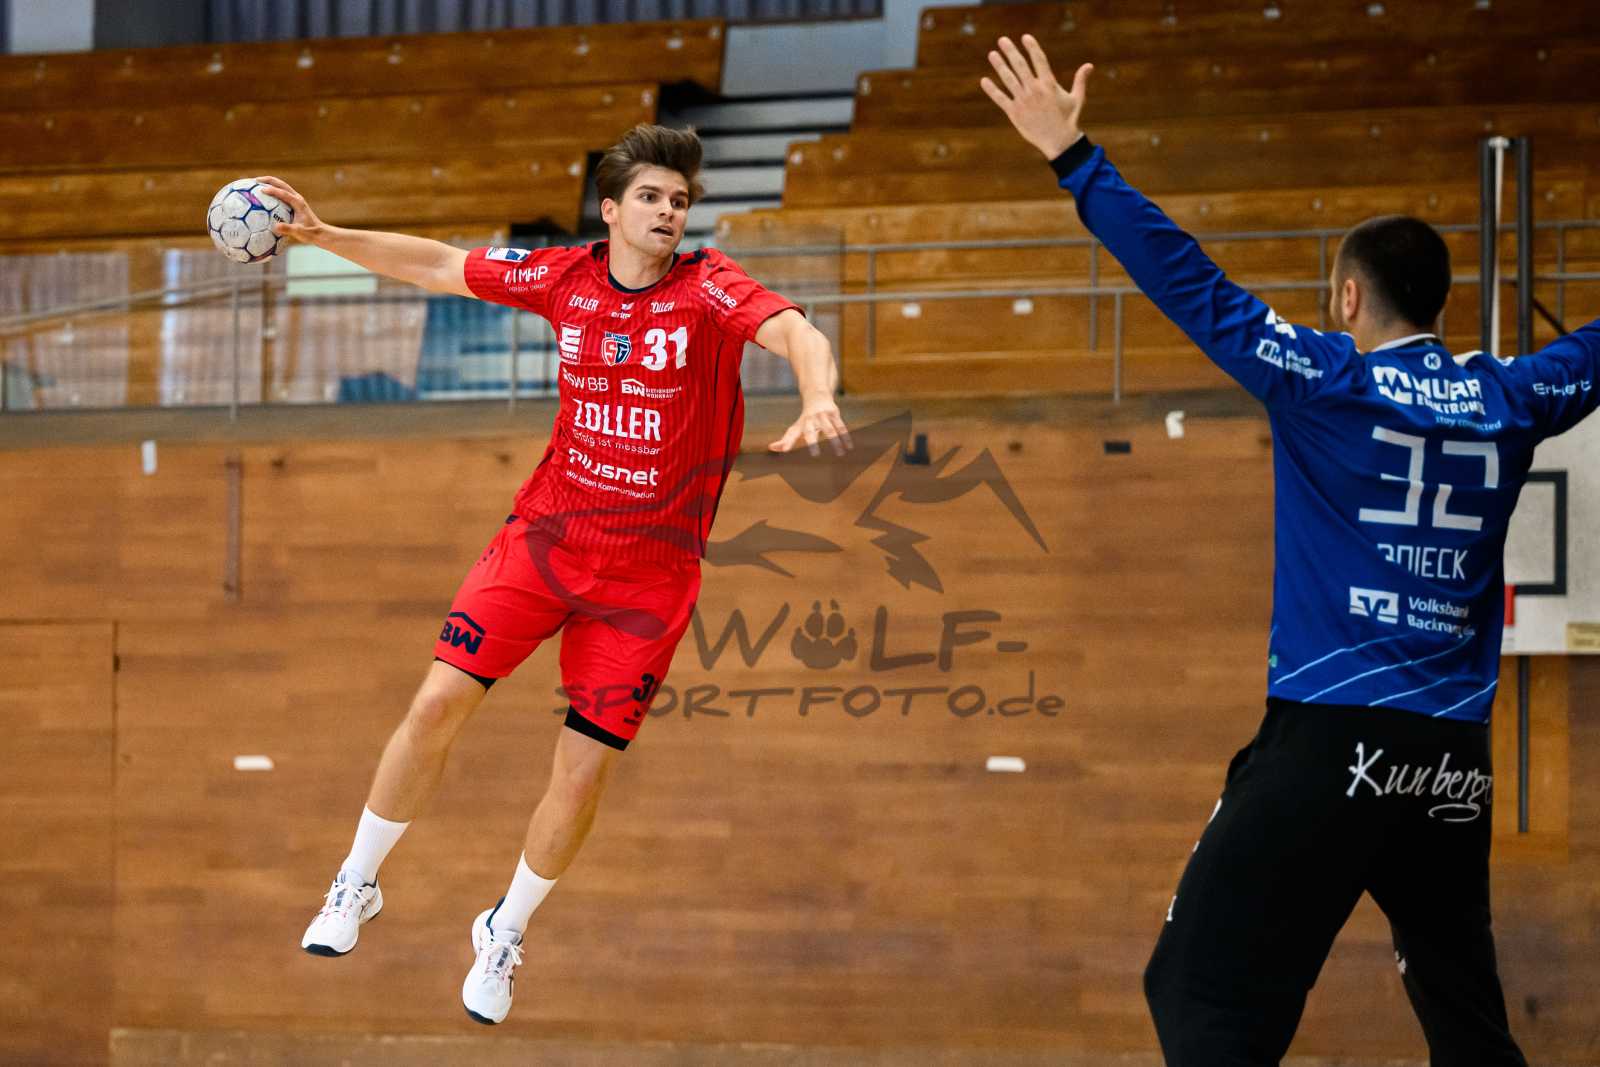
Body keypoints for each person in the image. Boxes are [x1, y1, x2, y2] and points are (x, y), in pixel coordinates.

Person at [982, 33, 1597, 1065]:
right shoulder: (1511, 396)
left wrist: (1074, 158)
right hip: (1453, 761)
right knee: (1464, 1016)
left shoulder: (1327, 379)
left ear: (1348, 298)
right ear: (1438, 304)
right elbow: (1591, 353)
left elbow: (1194, 284)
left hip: (1331, 742)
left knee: (1197, 986)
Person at [265, 124, 852, 1025]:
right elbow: (438, 265)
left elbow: (794, 329)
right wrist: (323, 235)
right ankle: (357, 881)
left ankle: (504, 929)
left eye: (680, 201)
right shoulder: (562, 276)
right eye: (651, 197)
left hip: (649, 582)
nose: (668, 212)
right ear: (611, 211)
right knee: (435, 703)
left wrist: (817, 394)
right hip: (544, 542)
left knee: (580, 775)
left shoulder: (709, 287)